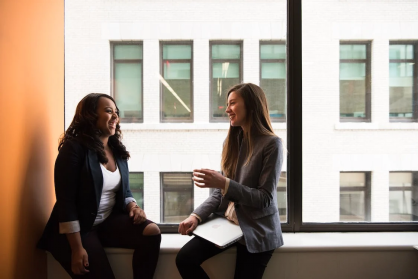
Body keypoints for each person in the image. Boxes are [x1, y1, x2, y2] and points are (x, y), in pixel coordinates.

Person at [37, 93, 161, 279]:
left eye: (116, 113)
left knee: (152, 231)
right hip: (78, 231)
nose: (115, 117)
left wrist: (133, 206)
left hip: (104, 222)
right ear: (90, 115)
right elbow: (66, 203)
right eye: (108, 111)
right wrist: (77, 249)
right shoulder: (74, 149)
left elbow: (124, 190)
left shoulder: (116, 150)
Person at [176, 83, 284, 279]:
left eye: (232, 103)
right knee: (184, 259)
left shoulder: (272, 144)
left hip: (256, 230)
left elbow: (265, 198)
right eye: (227, 104)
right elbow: (220, 192)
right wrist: (196, 216)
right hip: (229, 224)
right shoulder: (232, 142)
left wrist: (224, 183)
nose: (227, 109)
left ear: (251, 105)